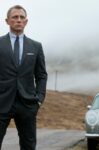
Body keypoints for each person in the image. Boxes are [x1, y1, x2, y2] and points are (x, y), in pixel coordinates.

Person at [0, 5, 47, 150]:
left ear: (26, 22)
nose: (18, 20)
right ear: (7, 21)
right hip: (1, 102)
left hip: (27, 104)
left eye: (22, 17)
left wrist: (39, 99)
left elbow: (41, 75)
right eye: (15, 17)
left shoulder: (36, 46)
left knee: (28, 145)